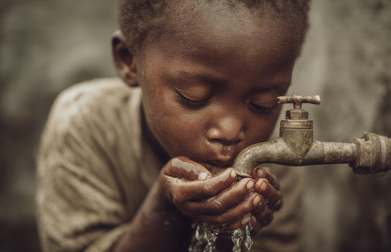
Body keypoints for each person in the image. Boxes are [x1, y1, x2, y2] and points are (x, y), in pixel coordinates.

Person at [36, 0, 309, 251]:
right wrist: (167, 212)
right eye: (194, 97)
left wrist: (231, 231)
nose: (229, 132)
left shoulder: (273, 158)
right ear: (129, 60)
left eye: (263, 103)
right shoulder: (86, 124)